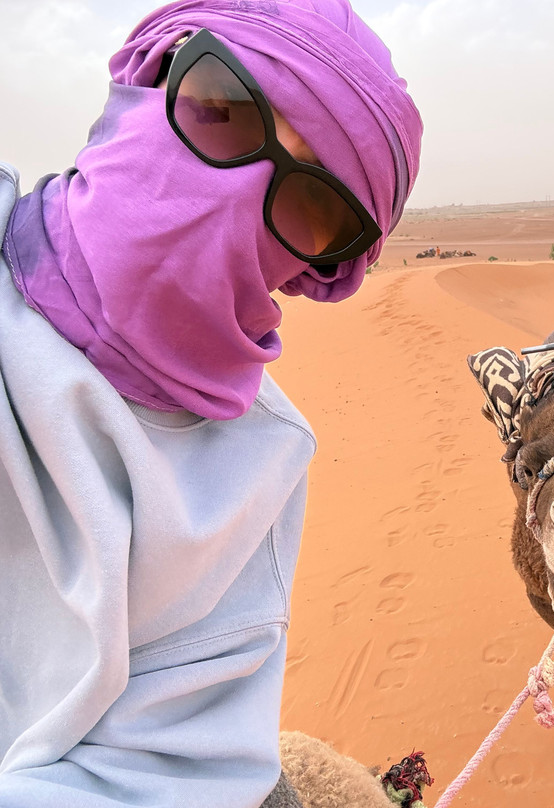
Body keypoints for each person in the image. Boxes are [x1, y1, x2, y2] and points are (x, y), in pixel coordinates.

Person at [0, 1, 421, 805]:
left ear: (316, 265)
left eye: (312, 200)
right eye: (222, 108)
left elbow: (153, 773)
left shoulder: (253, 469)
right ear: (151, 73)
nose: (233, 195)